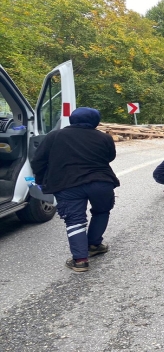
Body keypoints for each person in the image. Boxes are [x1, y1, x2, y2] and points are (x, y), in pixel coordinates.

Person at [31, 107, 120, 273]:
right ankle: (94, 244)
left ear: (72, 119)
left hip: (68, 184)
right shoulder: (104, 137)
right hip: (101, 182)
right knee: (101, 211)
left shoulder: (54, 136)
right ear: (95, 121)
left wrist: (41, 180)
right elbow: (110, 157)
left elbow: (38, 161)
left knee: (75, 220)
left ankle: (80, 260)